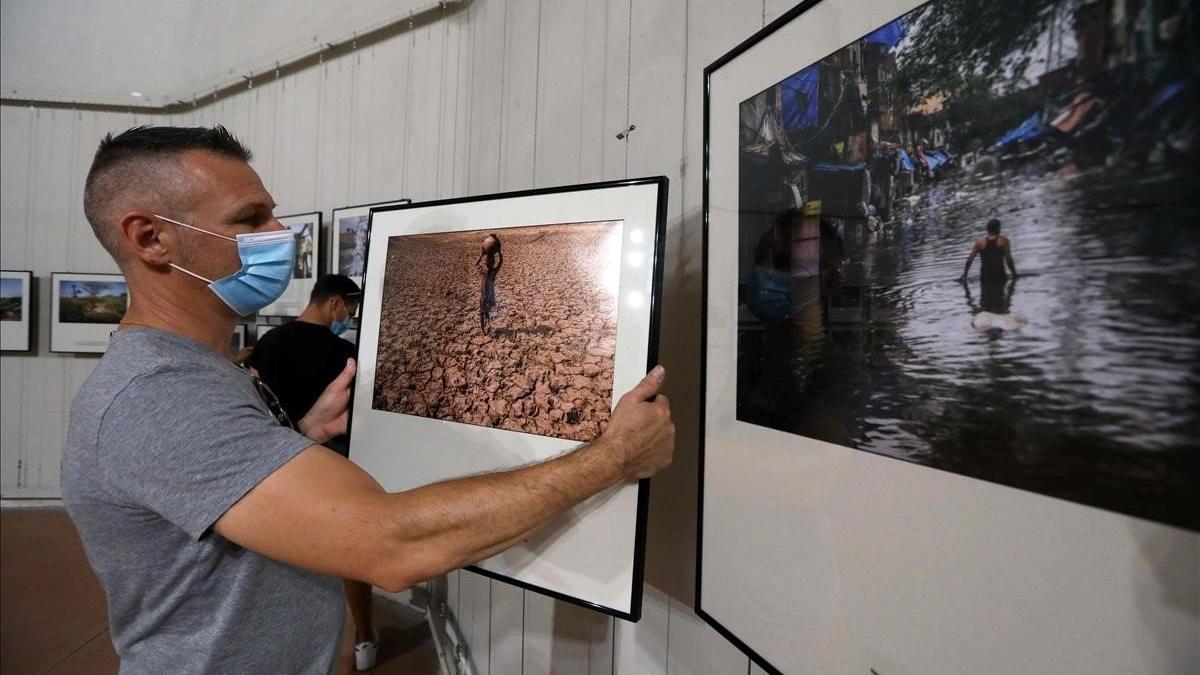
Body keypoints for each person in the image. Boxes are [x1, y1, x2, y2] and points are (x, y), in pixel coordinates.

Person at [62, 125, 675, 674]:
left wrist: (298, 437)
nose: (280, 235)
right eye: (249, 219)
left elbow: (214, 513)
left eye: (274, 215)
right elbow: (392, 546)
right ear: (151, 239)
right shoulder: (159, 395)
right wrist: (613, 457)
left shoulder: (199, 370)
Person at [249, 274, 378, 668]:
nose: (349, 316)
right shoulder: (344, 352)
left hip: (280, 460)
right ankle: (364, 637)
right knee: (353, 553)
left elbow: (257, 400)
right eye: (350, 309)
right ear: (336, 303)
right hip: (335, 461)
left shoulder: (269, 343)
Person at [960, 218, 1018, 283]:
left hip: (985, 276)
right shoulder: (1004, 241)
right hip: (999, 275)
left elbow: (969, 260)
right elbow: (1008, 259)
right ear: (998, 228)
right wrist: (1014, 274)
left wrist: (965, 274)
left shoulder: (979, 243)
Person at [476, 233, 503, 333]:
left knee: (484, 312)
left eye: (489, 260)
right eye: (488, 260)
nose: (488, 261)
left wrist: (481, 254)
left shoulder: (492, 272)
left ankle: (485, 327)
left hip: (486, 296)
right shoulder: (486, 271)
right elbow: (477, 264)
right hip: (484, 296)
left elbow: (500, 263)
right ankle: (484, 327)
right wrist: (482, 254)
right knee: (483, 312)